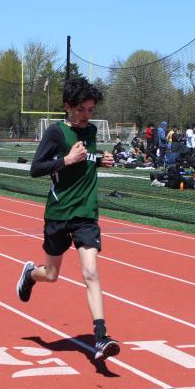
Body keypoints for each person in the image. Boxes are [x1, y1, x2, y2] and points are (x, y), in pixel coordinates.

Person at [15, 76, 120, 361]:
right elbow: (36, 169)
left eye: (90, 110)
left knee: (91, 273)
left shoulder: (92, 131)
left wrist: (100, 161)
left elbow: (87, 160)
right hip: (59, 212)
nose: (87, 115)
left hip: (86, 213)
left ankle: (101, 337)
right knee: (51, 275)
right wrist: (67, 160)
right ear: (67, 106)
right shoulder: (55, 133)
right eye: (81, 110)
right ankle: (30, 274)